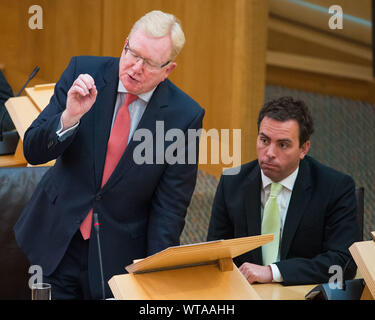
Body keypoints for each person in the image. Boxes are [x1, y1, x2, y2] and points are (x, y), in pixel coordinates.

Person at [14, 10, 205, 299]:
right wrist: (69, 118)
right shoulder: (83, 73)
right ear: (125, 44)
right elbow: (34, 149)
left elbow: (170, 208)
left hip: (118, 256)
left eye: (150, 63)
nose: (136, 68)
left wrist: (152, 277)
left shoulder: (184, 117)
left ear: (168, 70)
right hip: (57, 239)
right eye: (133, 54)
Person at [207, 96, 359, 285]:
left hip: (303, 291)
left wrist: (274, 272)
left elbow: (344, 263)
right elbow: (215, 254)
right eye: (264, 140)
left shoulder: (335, 188)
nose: (269, 153)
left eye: (283, 144)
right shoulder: (232, 182)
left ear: (304, 149)